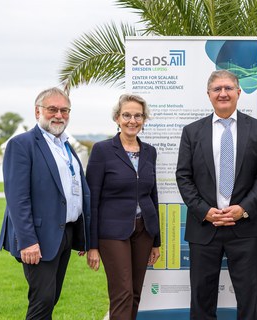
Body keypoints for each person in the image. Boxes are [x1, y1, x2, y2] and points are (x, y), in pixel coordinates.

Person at [175, 70, 257, 320]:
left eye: (228, 88)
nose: (223, 93)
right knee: (201, 298)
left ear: (239, 93)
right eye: (217, 89)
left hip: (246, 227)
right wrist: (203, 211)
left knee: (250, 299)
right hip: (205, 227)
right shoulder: (192, 132)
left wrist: (243, 209)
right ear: (208, 95)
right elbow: (183, 176)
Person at [0, 87, 91, 319]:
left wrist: (82, 232)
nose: (59, 115)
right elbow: (17, 198)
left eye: (64, 110)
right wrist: (28, 242)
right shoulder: (21, 144)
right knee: (42, 300)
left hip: (65, 233)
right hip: (38, 238)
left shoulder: (66, 146)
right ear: (37, 111)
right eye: (52, 109)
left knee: (52, 297)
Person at [85, 94, 161, 320]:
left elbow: (153, 195)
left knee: (136, 293)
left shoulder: (150, 151)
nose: (132, 120)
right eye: (126, 115)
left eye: (138, 116)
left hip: (144, 231)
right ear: (117, 118)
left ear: (144, 119)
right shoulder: (102, 150)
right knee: (122, 292)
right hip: (112, 233)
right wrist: (92, 245)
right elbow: (92, 199)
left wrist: (156, 241)